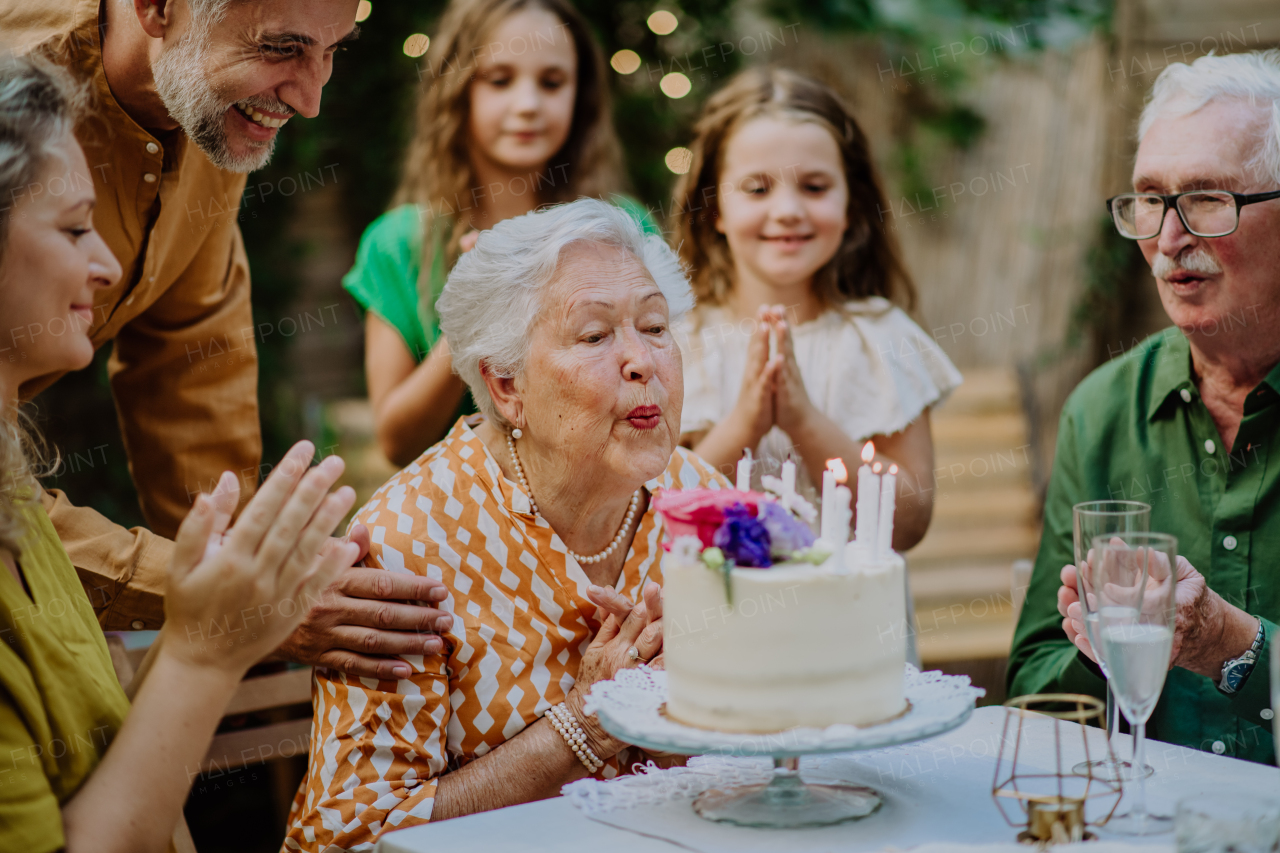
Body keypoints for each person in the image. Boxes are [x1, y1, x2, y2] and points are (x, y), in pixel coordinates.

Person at [0, 1, 453, 679]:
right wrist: (246, 603)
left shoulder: (206, 103)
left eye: (334, 51)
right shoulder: (16, 93)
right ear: (156, 7)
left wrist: (264, 575)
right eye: (282, 49)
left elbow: (192, 373)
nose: (311, 101)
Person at [0, 55, 362, 853]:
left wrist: (222, 608)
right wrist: (206, 651)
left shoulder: (15, 496)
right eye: (71, 228)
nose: (106, 265)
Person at [285, 198, 723, 849]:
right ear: (506, 386)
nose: (643, 361)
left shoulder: (701, 498)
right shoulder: (409, 543)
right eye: (596, 335)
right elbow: (350, 833)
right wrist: (584, 725)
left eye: (655, 327)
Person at [1008, 49, 1280, 765]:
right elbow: (1034, 694)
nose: (1167, 239)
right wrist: (1101, 646)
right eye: (1151, 199)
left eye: (1208, 200)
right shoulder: (1100, 411)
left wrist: (1233, 645)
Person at [350, 0, 655, 467]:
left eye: (552, 82)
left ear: (581, 95)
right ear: (457, 91)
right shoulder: (398, 243)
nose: (528, 104)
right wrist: (477, 313)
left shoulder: (621, 228)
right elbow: (398, 444)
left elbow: (662, 392)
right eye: (499, 79)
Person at [670, 68, 961, 554]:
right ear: (715, 206)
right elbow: (661, 512)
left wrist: (804, 421)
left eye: (814, 186)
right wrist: (746, 423)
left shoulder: (881, 337)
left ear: (850, 204)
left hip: (853, 624)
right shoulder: (680, 343)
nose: (787, 209)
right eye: (757, 189)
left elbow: (909, 524)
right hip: (719, 624)